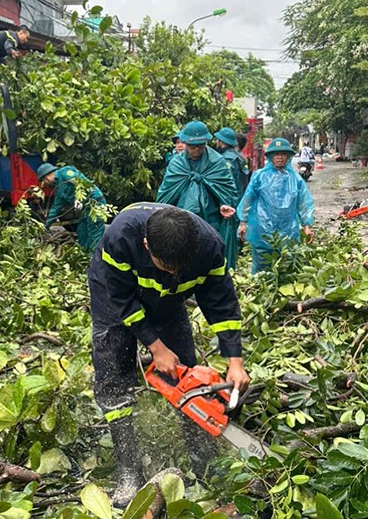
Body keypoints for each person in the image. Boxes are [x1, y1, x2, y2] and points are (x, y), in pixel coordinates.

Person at [88, 203, 250, 507]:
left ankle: (202, 456)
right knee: (113, 367)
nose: (174, 271)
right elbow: (121, 299)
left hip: (170, 299)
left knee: (185, 368)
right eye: (167, 265)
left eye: (179, 267)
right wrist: (155, 346)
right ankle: (128, 467)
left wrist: (235, 362)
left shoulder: (209, 247)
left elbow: (222, 302)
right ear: (147, 245)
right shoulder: (121, 237)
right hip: (113, 292)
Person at [156, 121, 239, 269]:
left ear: (206, 142)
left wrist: (224, 205)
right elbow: (166, 194)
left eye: (200, 146)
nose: (195, 150)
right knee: (183, 260)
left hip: (211, 220)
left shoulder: (217, 162)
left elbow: (227, 191)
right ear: (184, 143)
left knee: (209, 259)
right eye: (191, 146)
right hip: (180, 221)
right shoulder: (176, 164)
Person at [238, 138, 315, 274]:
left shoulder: (296, 179)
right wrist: (243, 223)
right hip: (262, 229)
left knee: (286, 268)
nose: (280, 157)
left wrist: (306, 226)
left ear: (288, 156)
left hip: (288, 230)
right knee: (262, 268)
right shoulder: (259, 176)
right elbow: (247, 199)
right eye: (276, 154)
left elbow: (304, 203)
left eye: (283, 154)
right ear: (271, 156)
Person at [37, 163, 106, 251]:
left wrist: (78, 198)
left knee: (94, 233)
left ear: (47, 176)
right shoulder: (58, 189)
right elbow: (55, 209)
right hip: (84, 208)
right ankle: (84, 257)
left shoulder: (65, 172)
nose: (45, 183)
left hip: (94, 202)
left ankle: (96, 258)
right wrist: (46, 226)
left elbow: (80, 181)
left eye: (44, 180)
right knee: (82, 234)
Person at [215, 127, 249, 194]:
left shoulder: (226, 159)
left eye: (217, 140)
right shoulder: (239, 157)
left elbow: (227, 184)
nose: (216, 142)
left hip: (229, 200)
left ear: (221, 142)